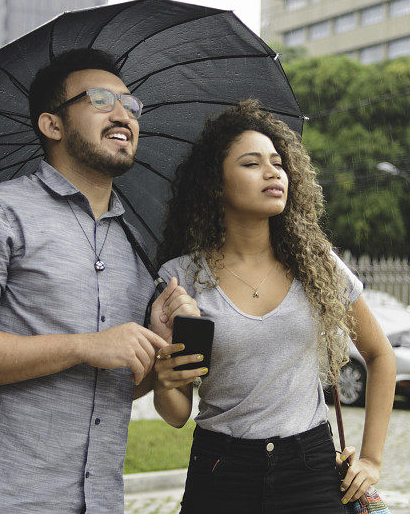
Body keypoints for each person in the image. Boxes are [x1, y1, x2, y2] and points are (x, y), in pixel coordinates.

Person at [0, 49, 199, 513]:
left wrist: (155, 355)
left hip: (95, 502)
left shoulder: (134, 247)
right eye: (100, 100)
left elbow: (108, 387)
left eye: (132, 105)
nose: (123, 114)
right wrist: (83, 345)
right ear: (52, 125)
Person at [152, 99, 396, 513]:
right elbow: (177, 414)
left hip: (310, 469)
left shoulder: (316, 262)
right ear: (216, 183)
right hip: (221, 472)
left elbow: (380, 354)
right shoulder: (181, 279)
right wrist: (164, 375)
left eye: (278, 162)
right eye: (251, 164)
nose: (272, 173)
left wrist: (371, 459)